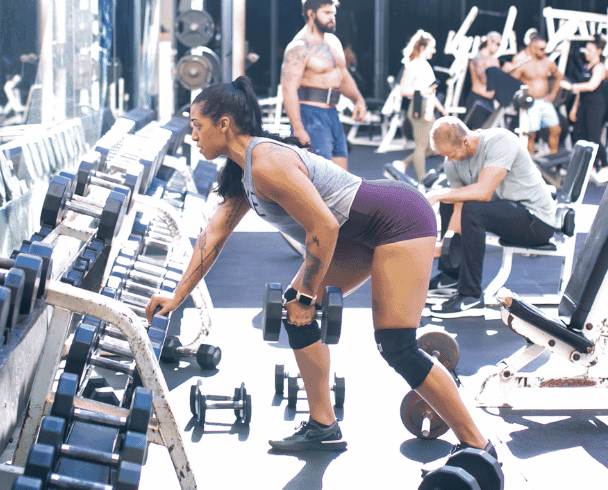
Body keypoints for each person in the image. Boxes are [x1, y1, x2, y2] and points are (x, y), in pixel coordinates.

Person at [145, 77, 495, 459]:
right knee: (296, 314)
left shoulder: (266, 163)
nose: (193, 135)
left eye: (197, 125)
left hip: (400, 221)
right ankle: (323, 425)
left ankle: (479, 446)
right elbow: (214, 234)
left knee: (397, 345)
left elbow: (324, 227)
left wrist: (307, 294)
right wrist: (177, 296)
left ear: (224, 124)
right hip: (359, 232)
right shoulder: (244, 171)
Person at [425, 117, 557, 318]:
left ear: (465, 141)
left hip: (536, 221)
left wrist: (437, 194)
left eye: (451, 154)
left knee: (473, 208)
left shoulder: (500, 141)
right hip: (506, 215)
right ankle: (452, 276)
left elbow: (484, 192)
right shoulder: (452, 163)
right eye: (445, 156)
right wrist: (446, 246)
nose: (449, 160)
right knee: (452, 201)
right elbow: (458, 205)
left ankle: (470, 296)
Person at [280, 0, 366, 170]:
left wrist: (358, 100)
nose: (332, 18)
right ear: (311, 14)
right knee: (320, 176)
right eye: (327, 13)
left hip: (332, 114)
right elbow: (288, 89)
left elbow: (343, 75)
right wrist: (298, 128)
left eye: (333, 13)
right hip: (310, 116)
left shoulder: (333, 41)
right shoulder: (298, 47)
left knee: (341, 176)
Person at [387, 30, 444, 183]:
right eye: (432, 47)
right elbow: (404, 90)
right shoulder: (414, 65)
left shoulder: (424, 65)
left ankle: (402, 164)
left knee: (431, 147)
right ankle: (422, 181)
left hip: (428, 106)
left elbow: (430, 91)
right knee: (421, 147)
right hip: (419, 106)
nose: (434, 51)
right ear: (422, 48)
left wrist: (441, 108)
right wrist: (422, 91)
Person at [506, 34, 564, 155]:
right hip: (530, 102)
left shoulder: (547, 62)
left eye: (545, 48)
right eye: (541, 49)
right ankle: (530, 160)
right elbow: (511, 81)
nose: (544, 52)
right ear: (533, 48)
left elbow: (559, 76)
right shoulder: (523, 62)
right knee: (531, 134)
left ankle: (553, 157)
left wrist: (553, 94)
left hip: (544, 101)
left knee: (556, 129)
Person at [561, 35, 607, 173]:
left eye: (590, 50)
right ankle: (589, 166)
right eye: (585, 49)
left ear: (598, 51)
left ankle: (604, 164)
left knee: (593, 137)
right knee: (580, 135)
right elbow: (581, 92)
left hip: (596, 105)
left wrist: (571, 86)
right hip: (583, 104)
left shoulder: (600, 67)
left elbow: (592, 86)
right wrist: (574, 108)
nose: (586, 52)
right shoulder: (586, 66)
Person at [465, 31, 502, 126]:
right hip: (478, 99)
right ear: (489, 41)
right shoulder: (479, 58)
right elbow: (484, 80)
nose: (498, 48)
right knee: (476, 132)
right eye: (497, 44)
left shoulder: (494, 60)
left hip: (490, 101)